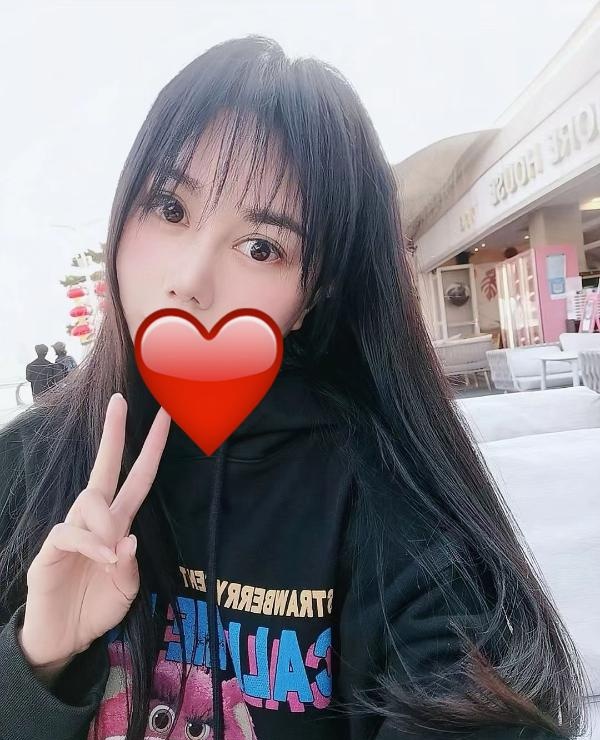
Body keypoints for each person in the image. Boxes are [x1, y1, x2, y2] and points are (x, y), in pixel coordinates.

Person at [0, 38, 590, 740]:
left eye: (261, 247)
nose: (189, 278)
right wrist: (38, 664)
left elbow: (460, 693)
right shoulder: (27, 464)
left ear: (312, 296)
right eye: (169, 206)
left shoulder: (376, 490)